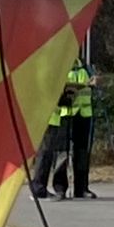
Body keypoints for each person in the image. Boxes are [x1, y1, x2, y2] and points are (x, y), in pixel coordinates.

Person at [45, 60, 97, 199]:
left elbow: (92, 82)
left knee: (82, 153)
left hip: (84, 113)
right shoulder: (60, 65)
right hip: (65, 113)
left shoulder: (85, 67)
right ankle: (60, 188)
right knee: (62, 152)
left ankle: (82, 188)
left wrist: (95, 82)